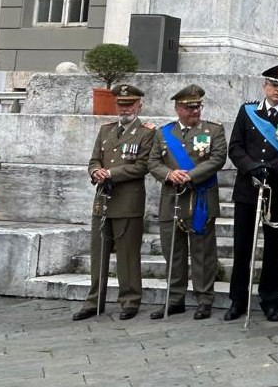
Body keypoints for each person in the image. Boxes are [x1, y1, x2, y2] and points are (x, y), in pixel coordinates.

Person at [225, 64, 278, 322]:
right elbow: (235, 147)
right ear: (264, 86)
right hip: (248, 187)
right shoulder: (248, 111)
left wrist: (272, 168)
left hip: (276, 188)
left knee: (273, 247)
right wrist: (252, 168)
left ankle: (270, 299)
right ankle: (237, 299)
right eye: (274, 85)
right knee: (242, 246)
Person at [73, 84, 154, 321]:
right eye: (121, 104)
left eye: (130, 104)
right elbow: (94, 159)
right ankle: (94, 300)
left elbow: (142, 165)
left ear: (140, 105)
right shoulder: (106, 130)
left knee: (128, 256)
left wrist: (111, 173)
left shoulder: (147, 132)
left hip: (128, 200)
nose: (125, 108)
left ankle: (130, 300)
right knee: (98, 254)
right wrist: (96, 171)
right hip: (103, 200)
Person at [147, 84, 227, 320]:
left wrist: (190, 175)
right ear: (177, 108)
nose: (195, 111)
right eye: (190, 107)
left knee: (203, 252)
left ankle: (204, 299)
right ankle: (175, 299)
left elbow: (218, 158)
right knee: (173, 251)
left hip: (200, 198)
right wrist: (169, 174)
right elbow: (153, 162)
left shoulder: (213, 130)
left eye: (198, 106)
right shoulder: (163, 133)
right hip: (172, 198)